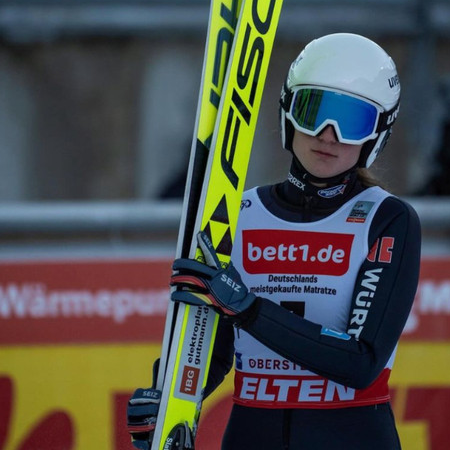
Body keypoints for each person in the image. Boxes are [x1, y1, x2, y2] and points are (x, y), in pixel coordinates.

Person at [127, 33, 422, 450]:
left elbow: (361, 361)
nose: (328, 134)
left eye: (351, 121)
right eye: (313, 110)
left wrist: (247, 309)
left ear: (376, 135)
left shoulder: (387, 219)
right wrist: (165, 400)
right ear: (288, 113)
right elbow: (211, 354)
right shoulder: (239, 214)